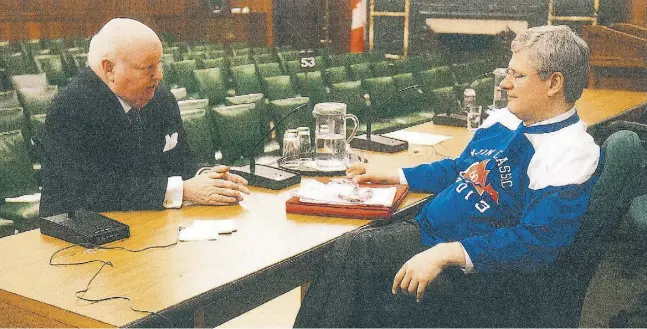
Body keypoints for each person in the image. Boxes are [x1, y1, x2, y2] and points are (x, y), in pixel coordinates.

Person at [294, 25, 601, 327]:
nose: (505, 84)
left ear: (553, 83)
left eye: (517, 76)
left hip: (481, 279)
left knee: (355, 255)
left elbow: (538, 242)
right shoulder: (507, 120)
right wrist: (395, 175)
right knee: (351, 251)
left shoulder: (570, 150)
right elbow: (460, 169)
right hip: (431, 236)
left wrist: (448, 253)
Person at [39, 18, 249, 217]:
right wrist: (182, 190)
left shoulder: (160, 96)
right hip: (79, 236)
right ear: (109, 68)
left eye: (158, 64)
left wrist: (208, 178)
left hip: (150, 223)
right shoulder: (71, 108)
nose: (159, 75)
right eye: (148, 67)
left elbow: (180, 157)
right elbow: (91, 191)